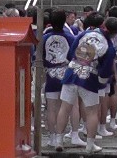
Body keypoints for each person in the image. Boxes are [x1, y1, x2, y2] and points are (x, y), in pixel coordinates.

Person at [52, 14, 117, 153]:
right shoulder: (109, 47)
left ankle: (58, 140)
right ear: (114, 33)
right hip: (90, 78)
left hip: (72, 72)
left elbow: (71, 53)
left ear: (103, 25)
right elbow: (105, 71)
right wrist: (102, 82)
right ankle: (90, 144)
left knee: (65, 108)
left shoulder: (86, 33)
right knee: (92, 112)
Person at [42, 9, 75, 147]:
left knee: (51, 108)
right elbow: (74, 55)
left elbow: (41, 56)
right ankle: (61, 136)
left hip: (50, 74)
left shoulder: (44, 38)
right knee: (65, 107)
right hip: (66, 73)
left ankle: (52, 137)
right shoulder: (70, 37)